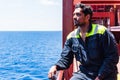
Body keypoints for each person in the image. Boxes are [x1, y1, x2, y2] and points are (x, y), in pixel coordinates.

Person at [48, 3, 119, 80]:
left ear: (87, 17)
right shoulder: (71, 37)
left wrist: (99, 76)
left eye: (78, 14)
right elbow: (66, 58)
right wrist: (55, 66)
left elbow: (112, 57)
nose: (74, 17)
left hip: (106, 74)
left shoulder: (102, 32)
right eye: (74, 14)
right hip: (85, 74)